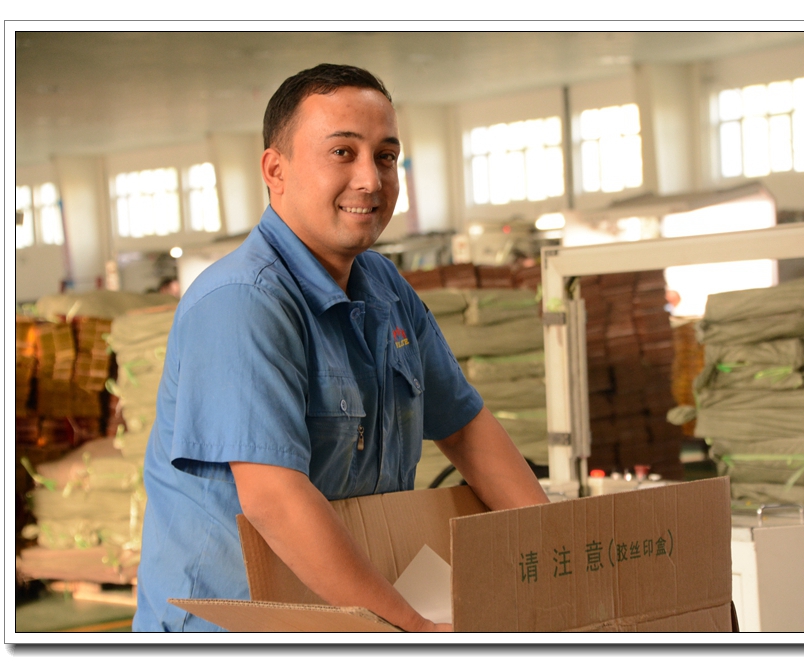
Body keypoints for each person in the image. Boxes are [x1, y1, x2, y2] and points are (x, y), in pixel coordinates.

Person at [132, 64, 549, 633]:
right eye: (342, 153)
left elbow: (465, 429)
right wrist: (412, 630)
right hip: (238, 629)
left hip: (346, 614)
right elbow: (274, 499)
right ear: (275, 170)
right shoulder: (243, 302)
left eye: (386, 156)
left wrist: (558, 557)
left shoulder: (383, 287)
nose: (370, 180)